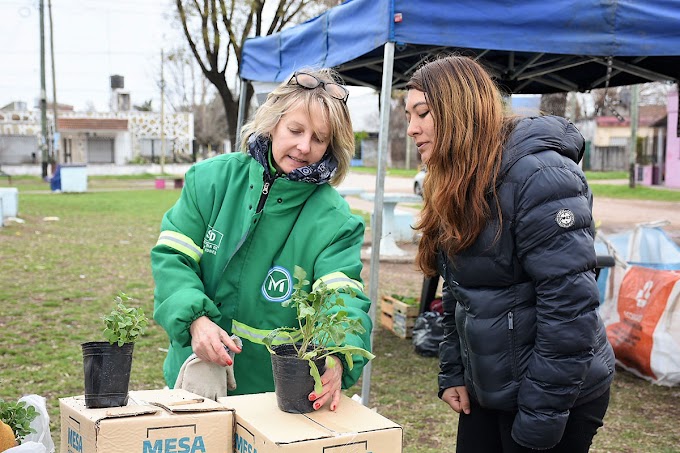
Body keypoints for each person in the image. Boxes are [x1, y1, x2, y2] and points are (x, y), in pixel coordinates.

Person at [405, 55, 616, 452]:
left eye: (424, 113)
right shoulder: (459, 178)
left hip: (556, 396)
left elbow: (569, 312)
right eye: (409, 116)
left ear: (459, 110)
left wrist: (538, 421)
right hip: (494, 387)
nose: (412, 128)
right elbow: (458, 289)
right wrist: (454, 372)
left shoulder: (539, 176)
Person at [151, 68, 372, 412]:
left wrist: (339, 355)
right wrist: (195, 319)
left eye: (319, 138)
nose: (304, 146)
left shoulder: (336, 220)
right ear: (272, 123)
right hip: (197, 375)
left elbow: (342, 297)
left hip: (276, 397)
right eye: (295, 130)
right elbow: (172, 258)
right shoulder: (210, 180)